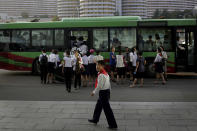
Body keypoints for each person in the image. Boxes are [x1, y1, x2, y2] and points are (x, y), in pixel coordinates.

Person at [88, 60, 118, 130]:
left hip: (103, 93)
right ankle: (95, 119)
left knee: (107, 110)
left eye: (99, 65)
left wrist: (94, 92)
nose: (97, 66)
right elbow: (108, 84)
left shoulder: (101, 75)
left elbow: (99, 86)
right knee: (98, 105)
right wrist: (109, 92)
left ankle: (113, 124)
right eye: (96, 65)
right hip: (106, 92)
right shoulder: (105, 73)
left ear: (102, 66)